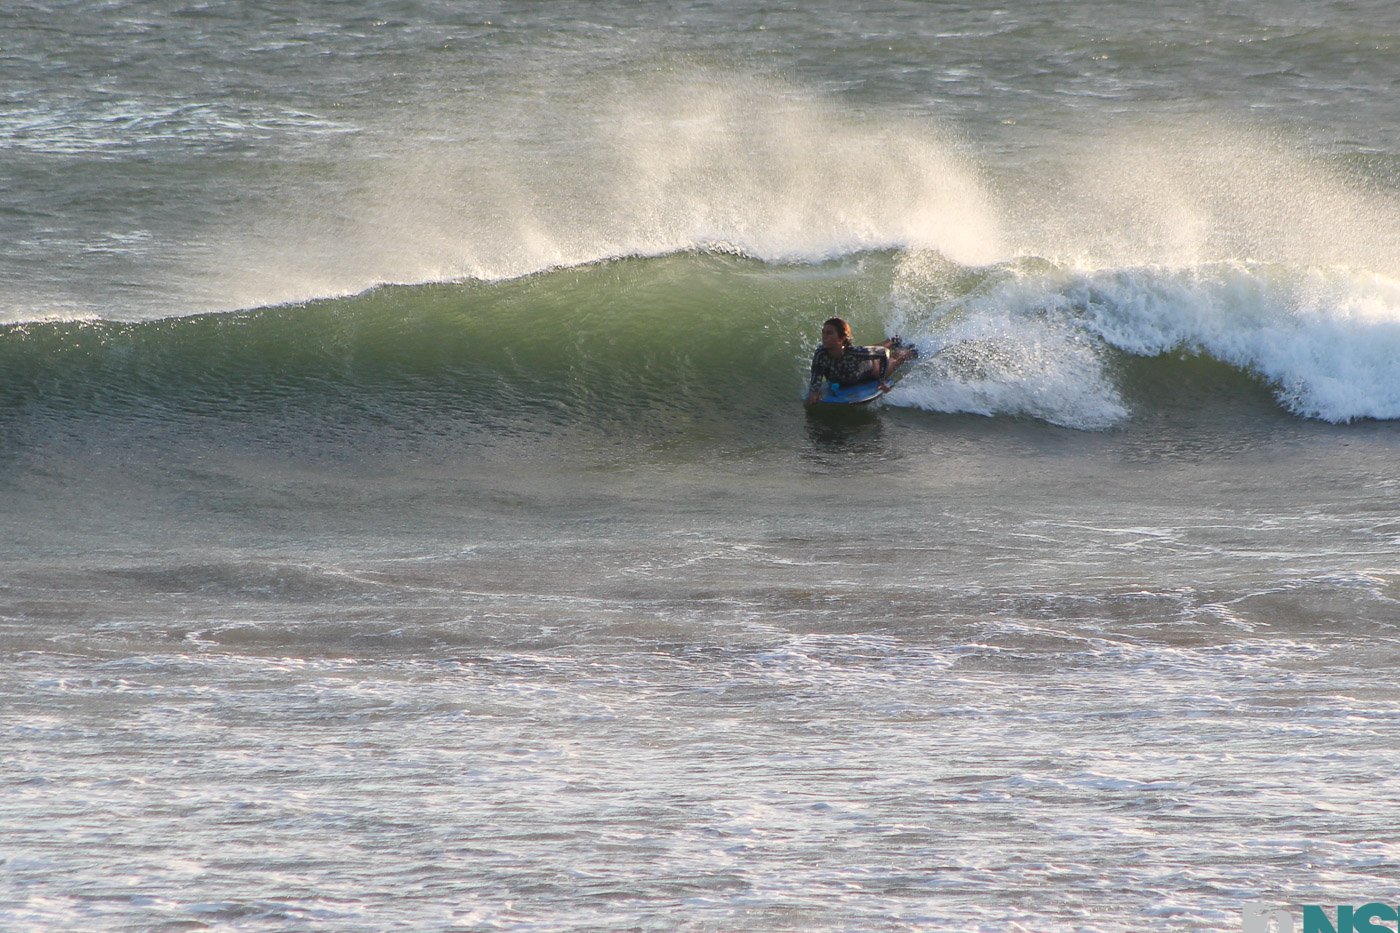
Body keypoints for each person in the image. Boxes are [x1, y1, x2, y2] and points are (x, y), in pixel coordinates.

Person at [805, 316, 916, 404]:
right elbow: (816, 372)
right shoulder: (821, 353)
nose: (824, 336)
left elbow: (883, 353)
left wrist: (881, 381)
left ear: (841, 338)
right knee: (872, 350)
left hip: (872, 369)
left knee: (894, 359)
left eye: (829, 333)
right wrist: (814, 391)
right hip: (853, 372)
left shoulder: (853, 352)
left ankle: (911, 349)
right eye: (823, 332)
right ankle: (892, 340)